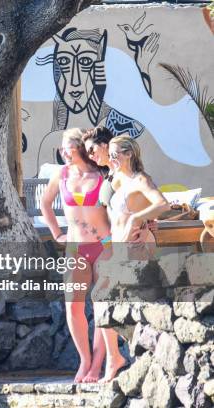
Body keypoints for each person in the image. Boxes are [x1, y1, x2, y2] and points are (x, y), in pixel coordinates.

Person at [93, 134, 169, 382]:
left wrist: (140, 220)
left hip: (136, 250)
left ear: (129, 154)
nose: (111, 159)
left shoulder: (140, 179)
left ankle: (123, 358)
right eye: (110, 155)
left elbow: (162, 203)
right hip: (119, 250)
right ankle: (117, 357)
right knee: (102, 299)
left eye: (115, 154)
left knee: (112, 299)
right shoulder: (116, 181)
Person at [40, 128, 110, 383]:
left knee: (102, 306)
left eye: (66, 148)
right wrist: (57, 234)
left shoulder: (102, 174)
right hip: (75, 248)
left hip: (104, 246)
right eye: (61, 149)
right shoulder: (62, 174)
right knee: (74, 307)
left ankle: (97, 365)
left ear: (80, 148)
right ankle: (85, 360)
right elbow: (45, 204)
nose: (63, 152)